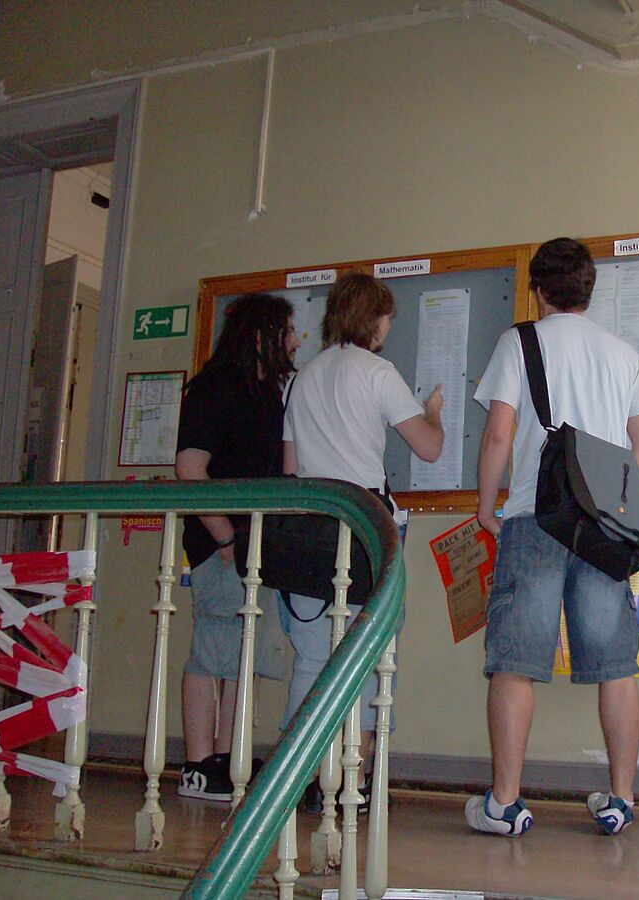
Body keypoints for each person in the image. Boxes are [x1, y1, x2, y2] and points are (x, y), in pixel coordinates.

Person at [467, 238, 639, 837]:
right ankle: (621, 799)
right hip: (602, 531)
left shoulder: (519, 342)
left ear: (538, 289)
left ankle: (505, 803)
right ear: (587, 291)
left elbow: (499, 435)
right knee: (616, 665)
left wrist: (486, 507)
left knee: (515, 663)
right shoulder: (623, 354)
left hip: (534, 520)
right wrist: (611, 504)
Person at [280, 272, 444, 806]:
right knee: (371, 653)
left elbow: (290, 468)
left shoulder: (301, 379)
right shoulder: (377, 372)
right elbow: (429, 448)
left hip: (311, 523)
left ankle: (301, 780)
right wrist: (433, 412)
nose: (388, 326)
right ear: (373, 320)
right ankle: (356, 780)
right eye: (387, 317)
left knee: (312, 657)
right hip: (368, 527)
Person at [175, 292, 298, 801]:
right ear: (263, 335)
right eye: (287, 331)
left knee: (241, 655)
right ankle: (198, 765)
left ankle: (227, 758)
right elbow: (190, 469)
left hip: (254, 545)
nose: (296, 341)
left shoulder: (265, 392)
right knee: (213, 651)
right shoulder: (215, 385)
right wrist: (224, 536)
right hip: (221, 544)